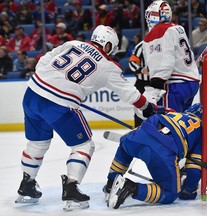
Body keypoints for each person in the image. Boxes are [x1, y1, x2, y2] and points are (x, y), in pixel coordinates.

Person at [15, 25, 173, 211]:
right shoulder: (108, 66)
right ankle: (71, 190)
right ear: (107, 46)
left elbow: (44, 60)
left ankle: (26, 186)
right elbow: (131, 95)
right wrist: (149, 108)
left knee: (37, 144)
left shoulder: (73, 43)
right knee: (84, 145)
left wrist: (50, 80)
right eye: (112, 49)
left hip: (32, 94)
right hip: (59, 104)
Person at [104, 103, 203, 209]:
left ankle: (111, 184)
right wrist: (188, 190)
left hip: (140, 133)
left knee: (124, 147)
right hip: (162, 150)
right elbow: (194, 171)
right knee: (171, 193)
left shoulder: (175, 114)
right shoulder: (200, 130)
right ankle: (130, 187)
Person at [142, 0, 200, 113]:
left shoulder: (158, 31)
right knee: (182, 122)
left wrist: (155, 85)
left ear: (155, 15)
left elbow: (164, 60)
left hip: (174, 85)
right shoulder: (178, 28)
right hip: (191, 82)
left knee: (169, 124)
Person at [128, 38, 151, 127]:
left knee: (159, 108)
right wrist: (141, 69)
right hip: (142, 83)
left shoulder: (165, 43)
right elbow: (132, 63)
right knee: (139, 109)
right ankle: (139, 130)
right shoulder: (142, 46)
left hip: (159, 82)